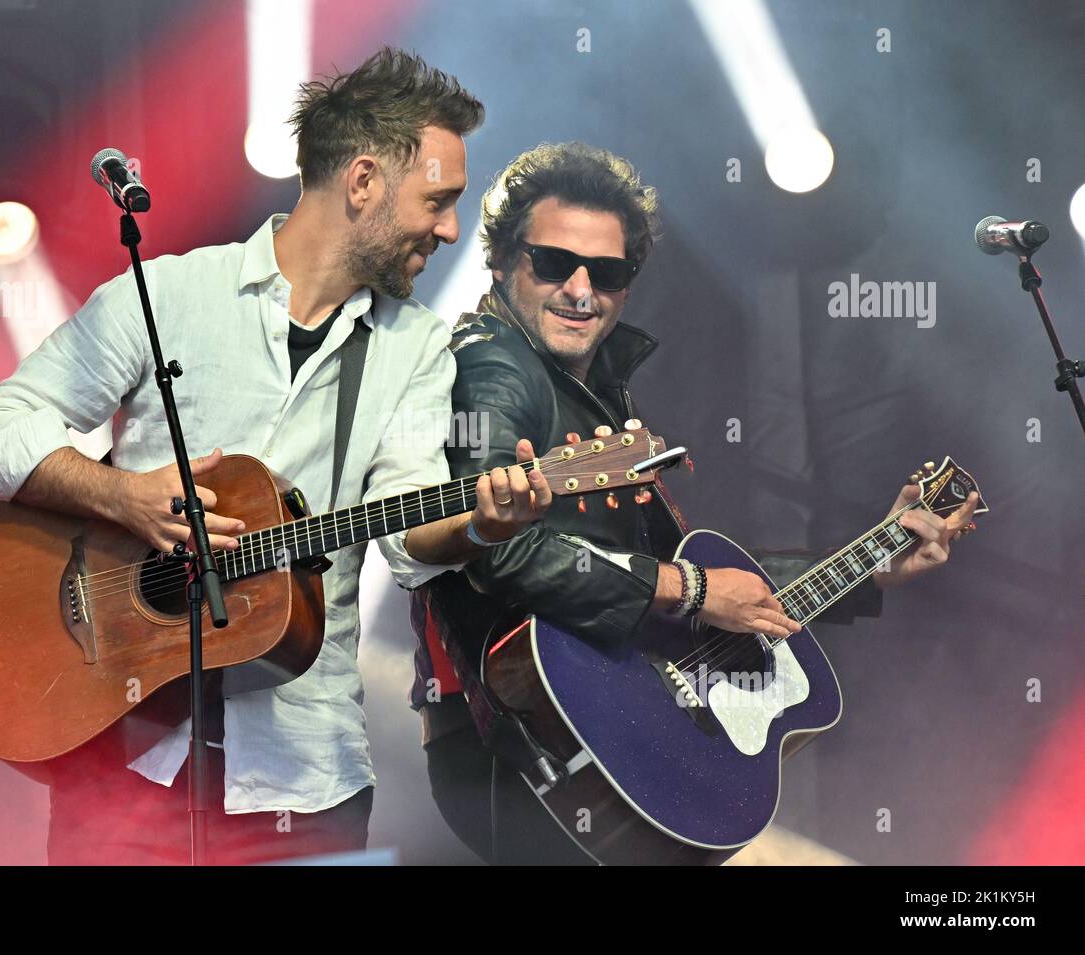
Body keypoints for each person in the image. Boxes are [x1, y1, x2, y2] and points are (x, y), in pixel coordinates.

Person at [0, 48, 553, 865]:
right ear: (365, 180)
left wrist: (481, 525)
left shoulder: (417, 346)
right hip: (127, 764)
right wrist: (121, 496)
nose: (450, 228)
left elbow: (409, 535)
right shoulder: (169, 294)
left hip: (305, 782)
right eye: (439, 200)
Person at [410, 141, 980, 865]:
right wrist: (695, 588)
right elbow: (497, 544)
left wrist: (873, 562)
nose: (581, 289)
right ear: (500, 262)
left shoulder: (592, 389)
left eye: (608, 272)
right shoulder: (496, 366)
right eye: (553, 263)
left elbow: (677, 576)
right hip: (526, 743)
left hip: (583, 737)